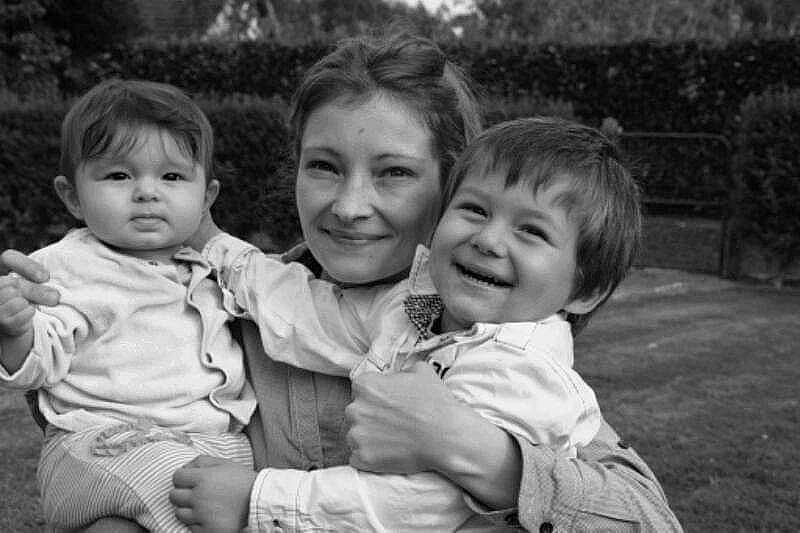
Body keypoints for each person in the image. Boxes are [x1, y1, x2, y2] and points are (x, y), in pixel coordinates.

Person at [2, 33, 682, 532]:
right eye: (324, 166)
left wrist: (476, 451)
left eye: (393, 173)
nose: (350, 205)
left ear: (452, 183)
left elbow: (648, 517)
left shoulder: (487, 340)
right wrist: (26, 321)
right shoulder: (221, 311)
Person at [173, 116, 640, 531]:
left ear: (585, 291)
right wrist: (215, 245)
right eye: (475, 210)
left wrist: (257, 500)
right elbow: (310, 314)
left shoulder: (521, 370)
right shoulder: (417, 308)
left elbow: (421, 508)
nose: (488, 239)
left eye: (532, 231)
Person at [0, 79, 256, 533]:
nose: (147, 192)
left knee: (250, 492)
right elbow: (40, 356)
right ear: (72, 196)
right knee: (183, 493)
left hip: (210, 443)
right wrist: (15, 331)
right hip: (99, 444)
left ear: (206, 198)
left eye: (172, 177)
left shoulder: (217, 268)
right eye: (119, 175)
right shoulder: (64, 268)